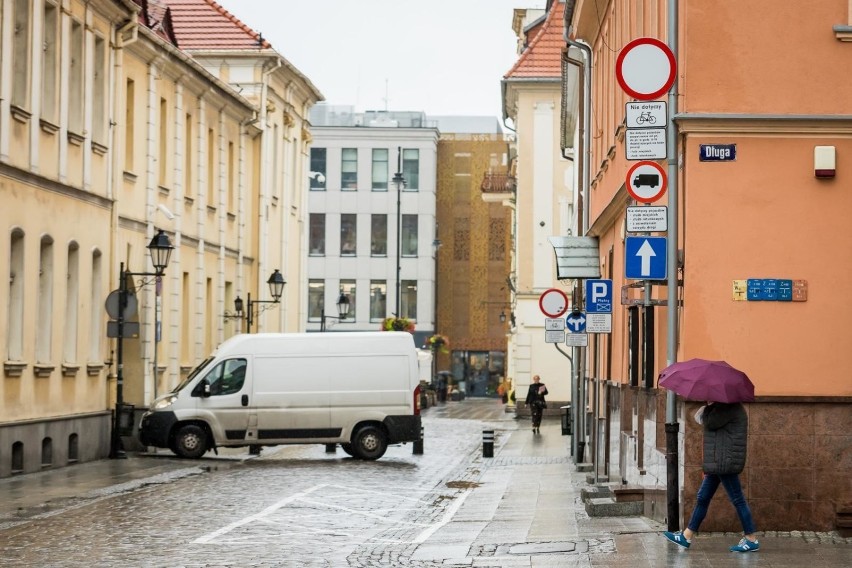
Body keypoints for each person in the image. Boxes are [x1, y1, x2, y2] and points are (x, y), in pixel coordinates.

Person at [663, 402, 759, 553]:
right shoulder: (725, 408)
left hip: (724, 462)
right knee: (703, 497)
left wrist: (708, 407)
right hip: (719, 461)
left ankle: (751, 539)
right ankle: (686, 536)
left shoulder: (728, 408)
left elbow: (709, 422)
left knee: (738, 499)